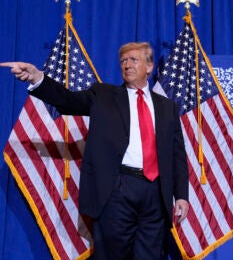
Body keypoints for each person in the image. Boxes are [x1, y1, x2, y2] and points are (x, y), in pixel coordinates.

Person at [0, 42, 189, 260]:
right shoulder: (103, 95)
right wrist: (36, 78)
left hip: (156, 193)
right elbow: (66, 101)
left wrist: (181, 195)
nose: (127, 65)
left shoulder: (167, 107)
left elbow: (177, 153)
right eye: (123, 61)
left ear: (149, 66)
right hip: (117, 189)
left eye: (133, 60)